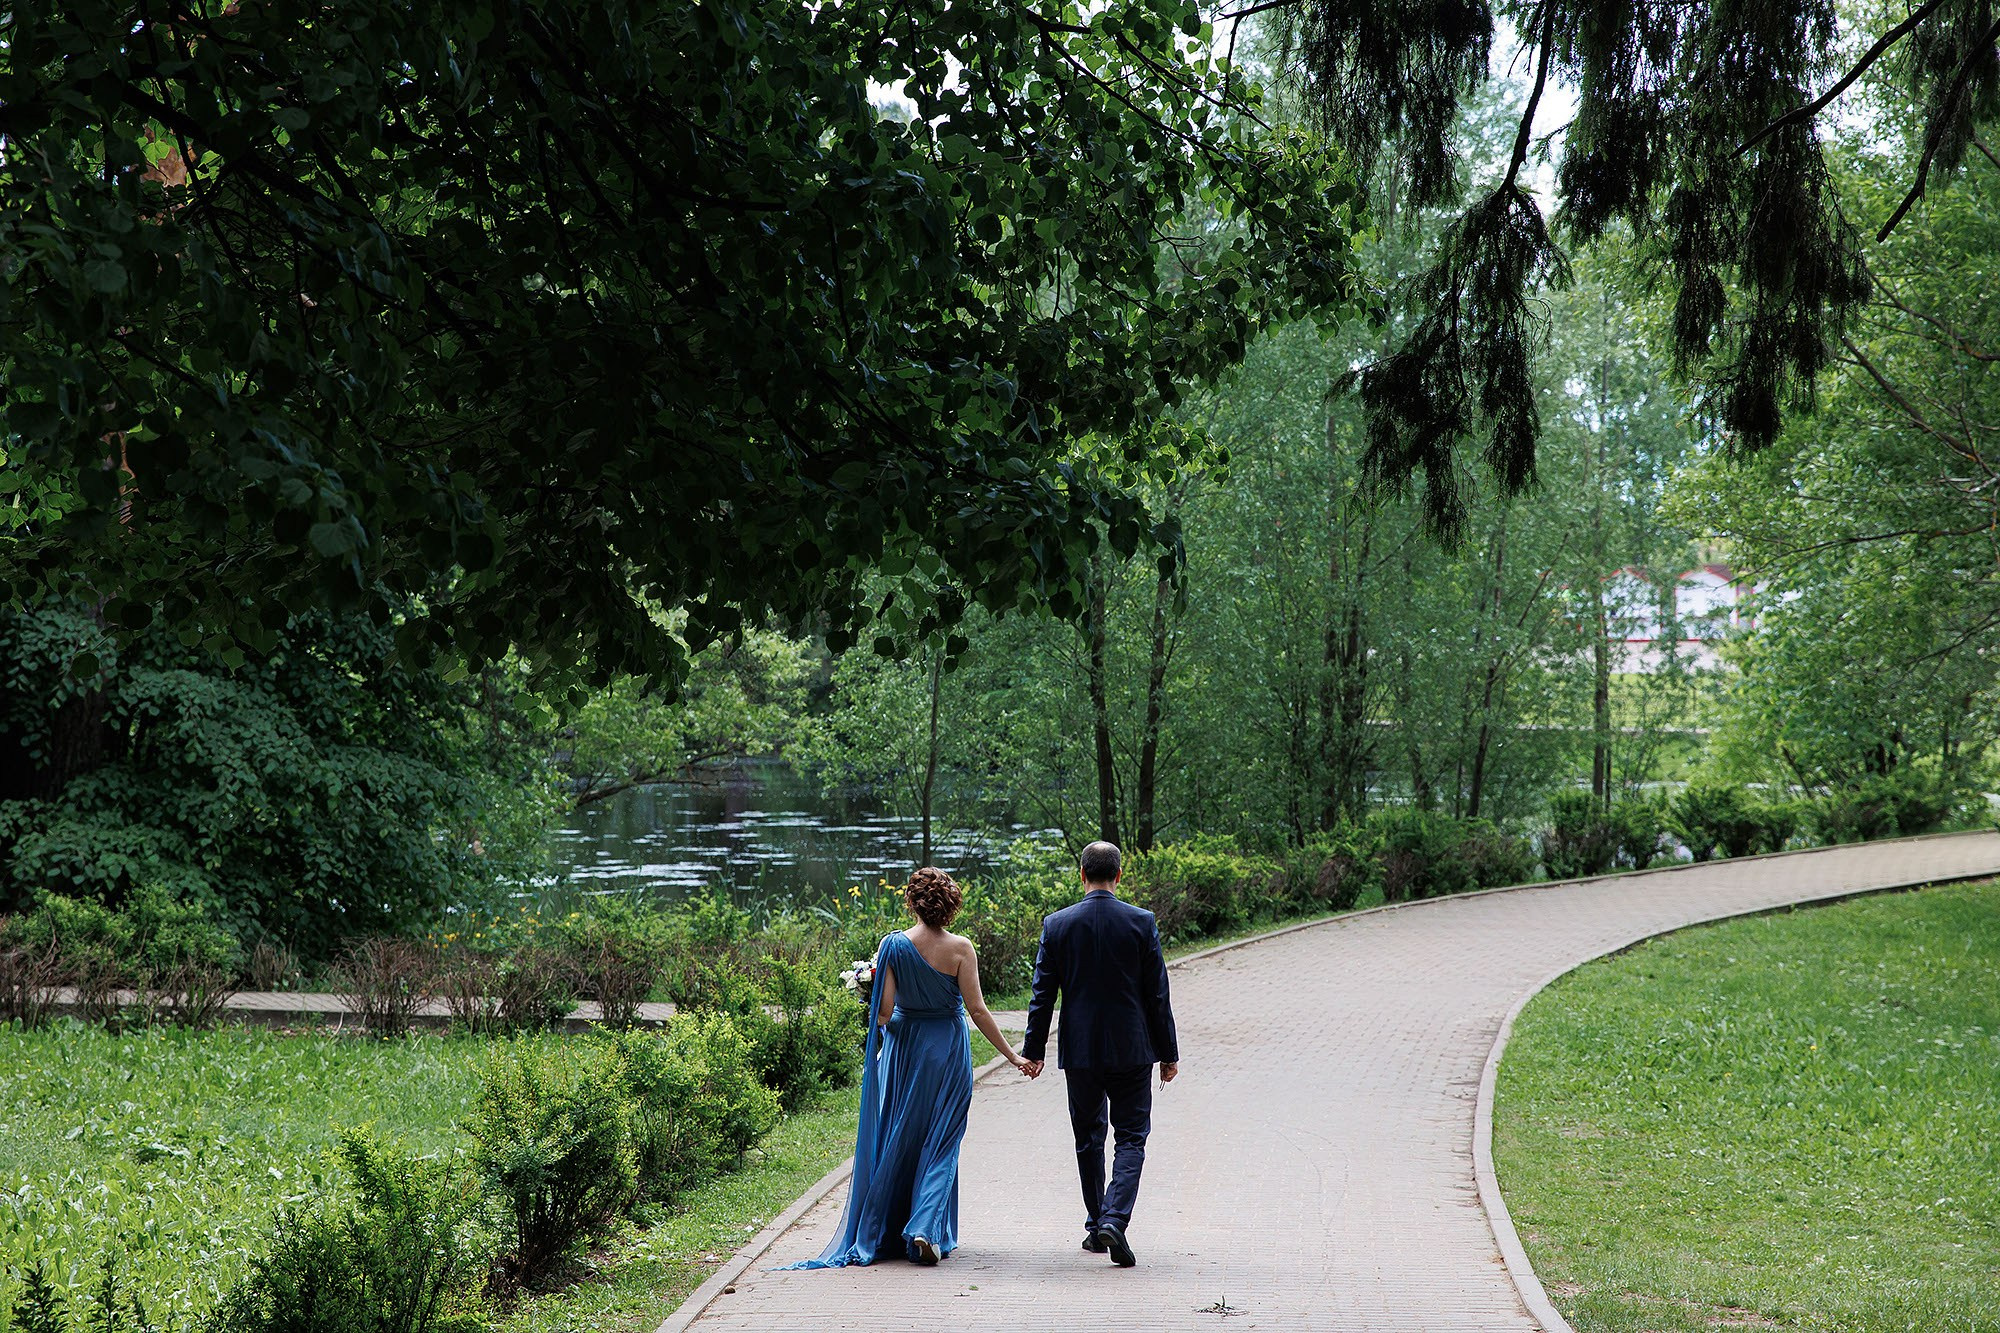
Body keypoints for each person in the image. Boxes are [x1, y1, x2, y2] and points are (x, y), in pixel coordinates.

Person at [783, 866, 1032, 1268]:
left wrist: (869, 993)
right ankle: (924, 1228)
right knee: (942, 1139)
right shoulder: (961, 949)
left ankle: (894, 1225)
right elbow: (978, 1010)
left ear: (912, 903)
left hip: (905, 1051)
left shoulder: (893, 945)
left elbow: (883, 1014)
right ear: (950, 905)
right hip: (947, 1051)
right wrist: (1013, 1056)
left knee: (903, 1135)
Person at [1020, 839, 1179, 1268]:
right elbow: (1157, 995)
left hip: (1081, 1050)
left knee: (1088, 1137)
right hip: (1132, 1048)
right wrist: (1168, 1053)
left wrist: (1033, 1050)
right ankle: (1114, 1219)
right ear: (1119, 875)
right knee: (1131, 1137)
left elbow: (1042, 995)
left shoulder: (1057, 925)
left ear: (1082, 874)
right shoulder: (1141, 922)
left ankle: (1097, 1224)